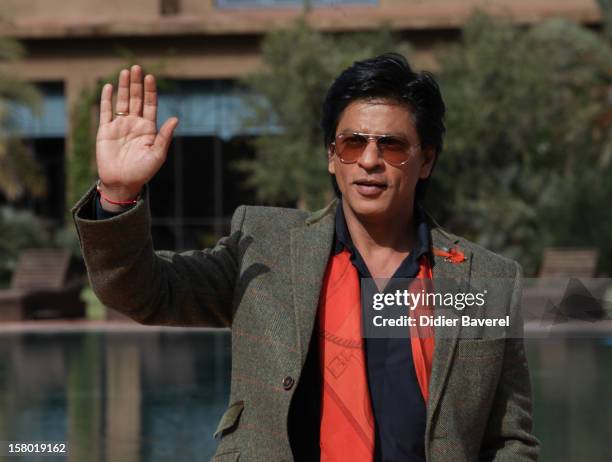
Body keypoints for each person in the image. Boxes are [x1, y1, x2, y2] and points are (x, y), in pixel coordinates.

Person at [71, 54, 540, 461]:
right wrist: (118, 193)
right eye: (353, 143)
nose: (370, 160)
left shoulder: (485, 282)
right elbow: (141, 291)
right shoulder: (266, 246)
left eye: (392, 146)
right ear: (332, 157)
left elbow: (509, 440)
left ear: (427, 160)